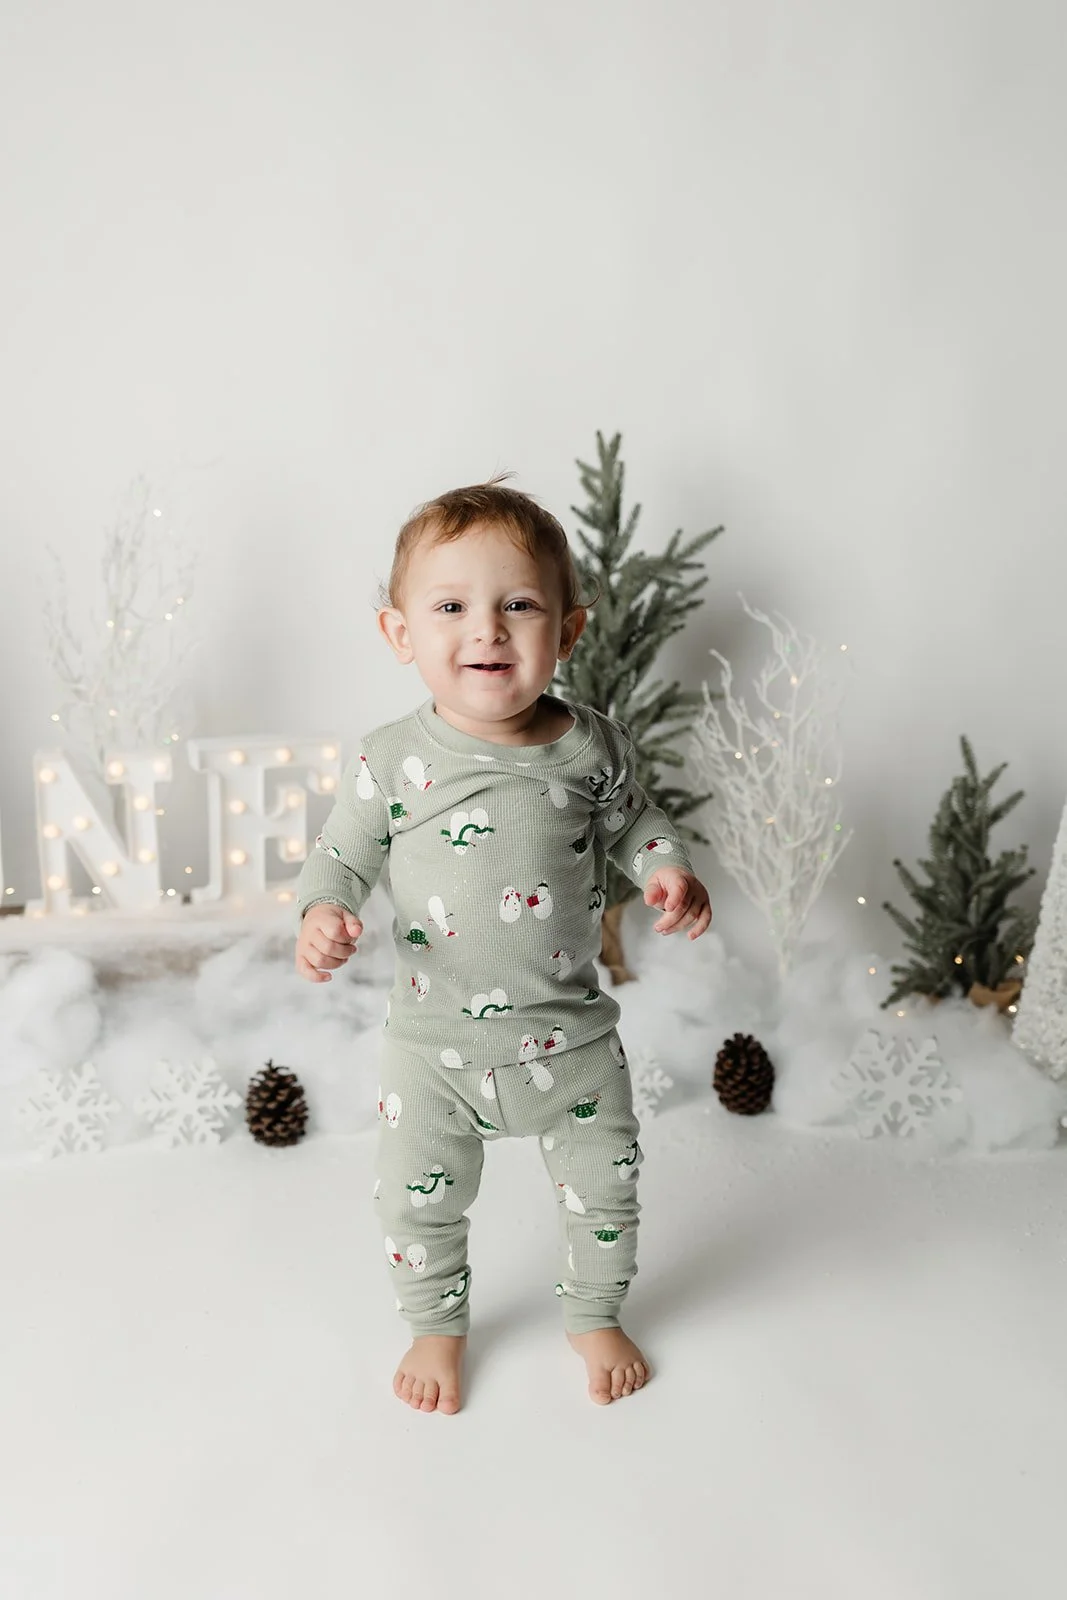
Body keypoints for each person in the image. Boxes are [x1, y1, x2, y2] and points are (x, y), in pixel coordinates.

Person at [294, 479, 713, 1413]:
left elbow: (640, 823)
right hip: (433, 1049)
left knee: (608, 1191)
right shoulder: (391, 758)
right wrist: (323, 913)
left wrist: (665, 871)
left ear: (566, 632)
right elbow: (338, 857)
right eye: (450, 607)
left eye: (518, 605)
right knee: (417, 1203)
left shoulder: (590, 747)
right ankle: (436, 1328)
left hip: (571, 1043)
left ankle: (594, 1313)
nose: (486, 630)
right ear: (400, 634)